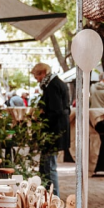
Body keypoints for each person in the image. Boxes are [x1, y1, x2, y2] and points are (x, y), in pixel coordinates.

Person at [31, 63, 71, 196]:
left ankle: (54, 198)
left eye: (36, 76)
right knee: (47, 165)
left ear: (42, 73)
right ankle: (50, 196)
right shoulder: (56, 83)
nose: (36, 79)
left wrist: (41, 114)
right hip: (56, 130)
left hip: (53, 132)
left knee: (49, 167)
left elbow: (55, 110)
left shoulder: (52, 86)